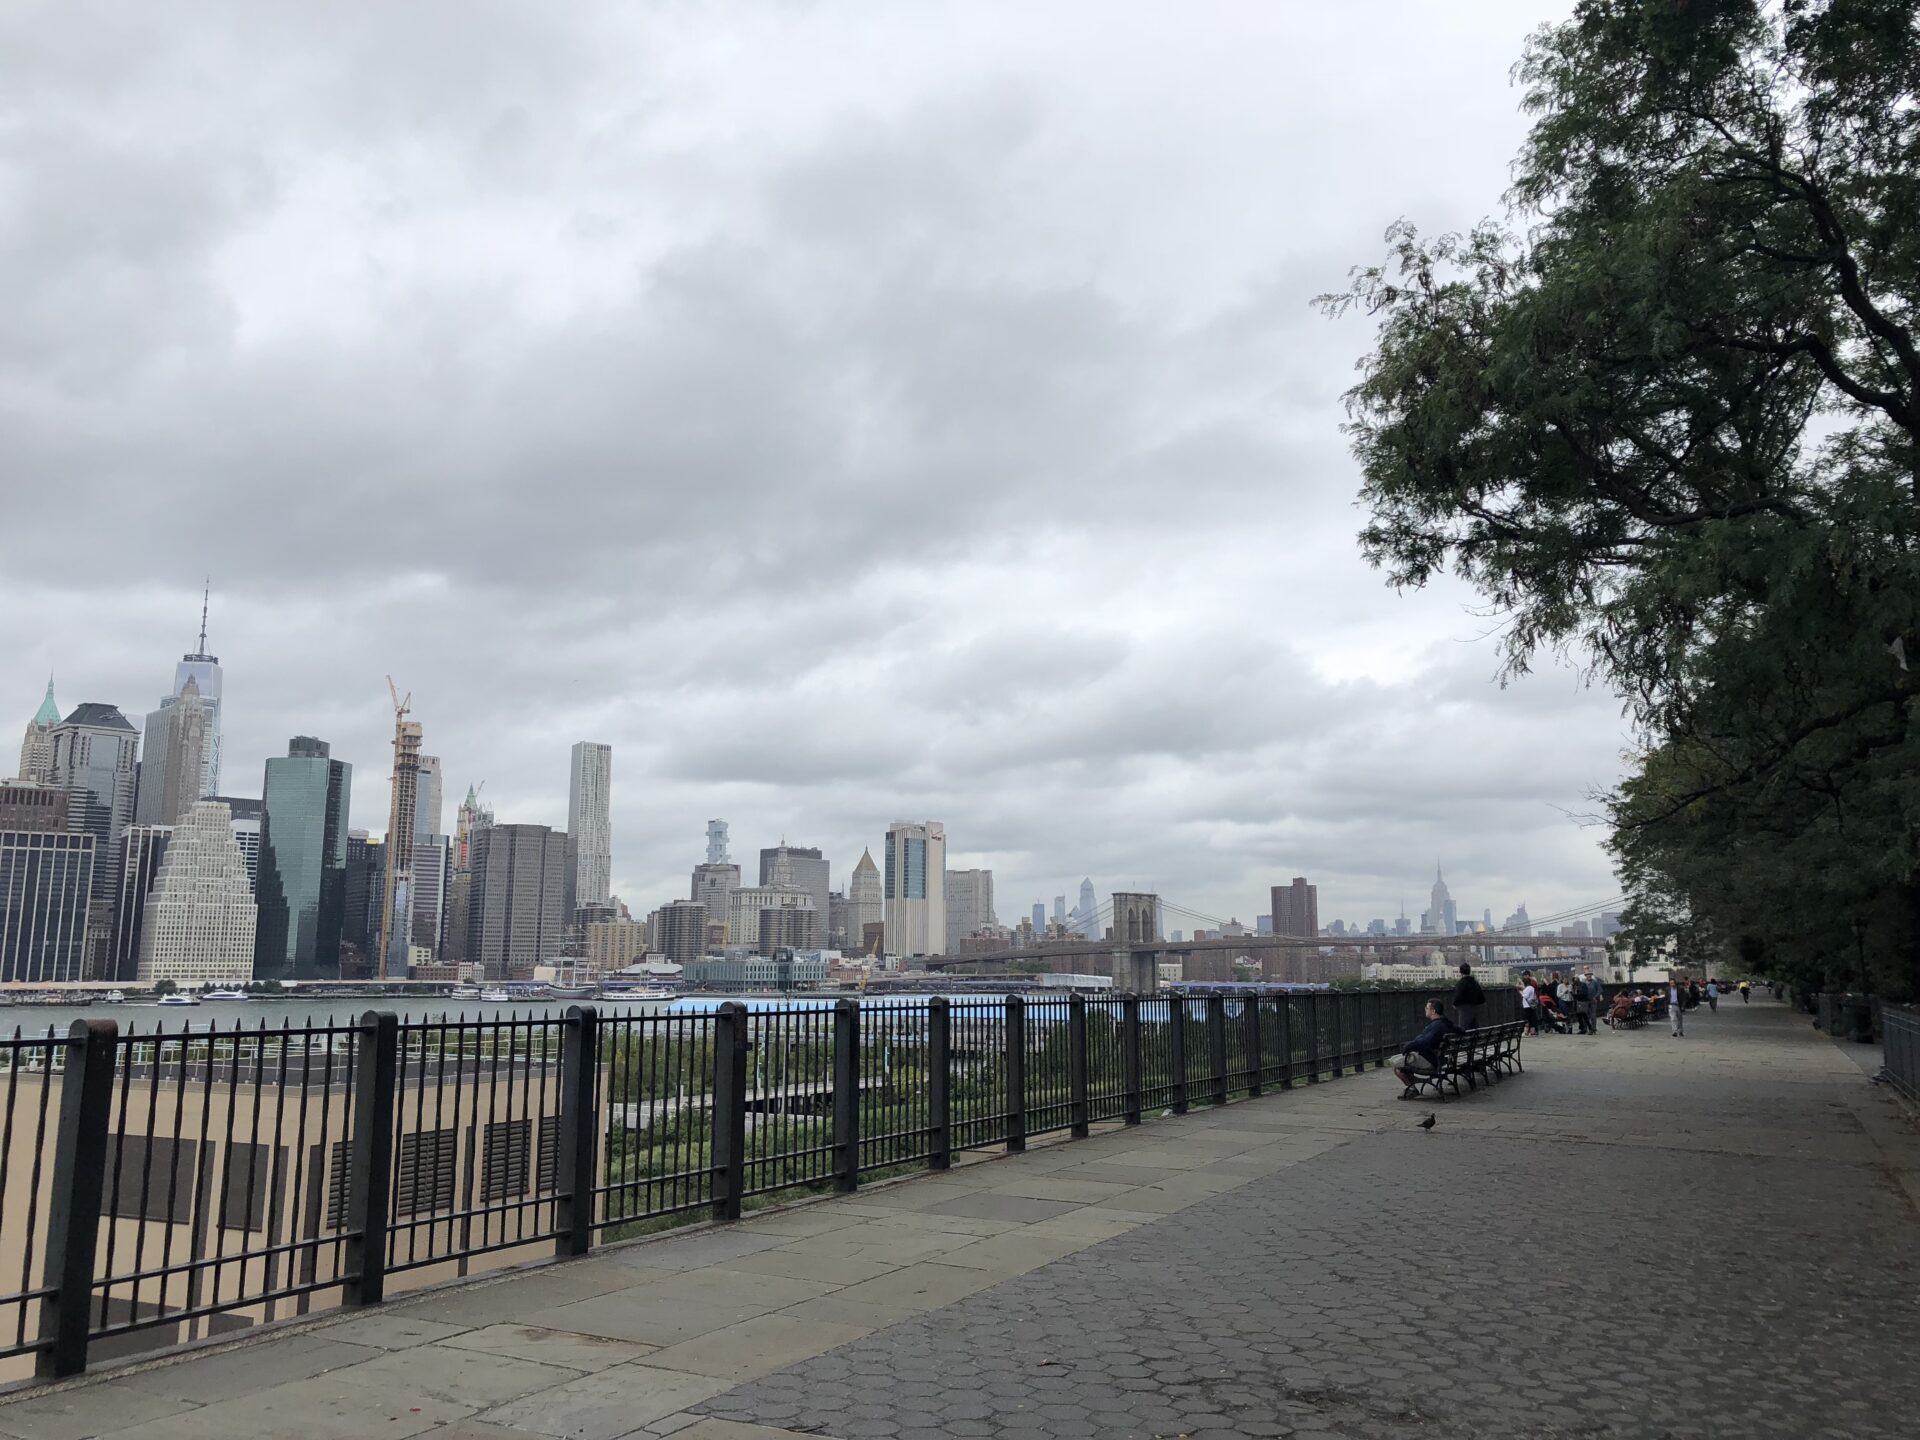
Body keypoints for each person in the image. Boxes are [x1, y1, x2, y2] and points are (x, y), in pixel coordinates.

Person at [1393, 999, 1461, 1097]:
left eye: (1427, 1008)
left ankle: (1412, 1087)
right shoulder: (1447, 1024)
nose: (1425, 1009)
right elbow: (1461, 1031)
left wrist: (1408, 1046)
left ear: (1433, 1011)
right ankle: (1412, 1086)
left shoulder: (1437, 1026)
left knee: (1396, 1065)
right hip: (1442, 1059)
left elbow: (1425, 1042)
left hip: (1432, 1061)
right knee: (1404, 1061)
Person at [1452, 962, 1486, 1032]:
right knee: (1474, 1030)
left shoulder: (1461, 983)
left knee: (1464, 1030)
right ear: (1469, 971)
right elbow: (1482, 998)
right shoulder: (1475, 983)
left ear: (1460, 972)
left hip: (1464, 1010)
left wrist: (1455, 1004)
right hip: (1475, 1010)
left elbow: (1458, 996)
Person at [1572, 971, 1596, 1035]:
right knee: (1579, 1016)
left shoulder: (1583, 984)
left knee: (1585, 1016)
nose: (1575, 980)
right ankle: (1583, 1029)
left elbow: (1585, 993)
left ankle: (1590, 1029)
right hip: (1577, 1002)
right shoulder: (1574, 986)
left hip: (1583, 1002)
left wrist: (1577, 994)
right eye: (1574, 979)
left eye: (1576, 979)